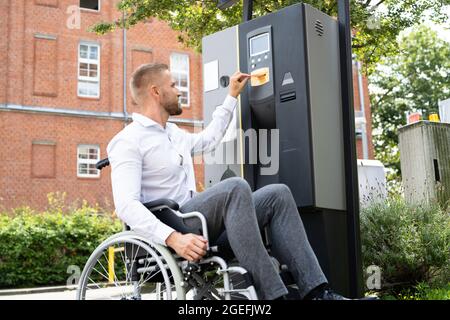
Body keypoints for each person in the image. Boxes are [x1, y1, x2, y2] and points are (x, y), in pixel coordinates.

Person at [107, 62, 348, 300]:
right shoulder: (128, 141)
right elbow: (127, 206)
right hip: (176, 227)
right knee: (235, 187)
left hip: (198, 224)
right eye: (173, 85)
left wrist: (231, 95)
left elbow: (209, 139)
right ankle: (273, 297)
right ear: (156, 92)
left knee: (277, 194)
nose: (179, 91)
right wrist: (173, 238)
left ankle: (317, 292)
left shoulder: (173, 133)